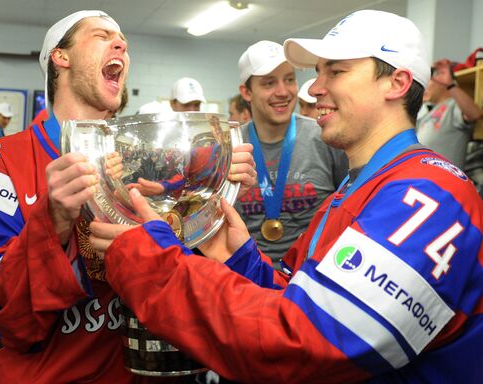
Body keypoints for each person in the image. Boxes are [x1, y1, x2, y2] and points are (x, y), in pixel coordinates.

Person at [89, 10, 483, 383]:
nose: (314, 87)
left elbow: (306, 343)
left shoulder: (428, 193)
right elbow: (299, 296)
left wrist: (150, 262)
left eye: (337, 71)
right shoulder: (354, 190)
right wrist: (240, 258)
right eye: (317, 71)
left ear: (396, 83)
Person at [0, 10, 255, 383]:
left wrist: (210, 196)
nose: (122, 44)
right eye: (101, 35)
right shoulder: (3, 163)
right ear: (60, 57)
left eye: (123, 41)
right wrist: (54, 222)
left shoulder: (140, 159)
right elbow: (2, 319)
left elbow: (178, 270)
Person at [234, 40, 348, 264]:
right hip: (246, 275)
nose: (283, 92)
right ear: (246, 92)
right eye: (269, 83)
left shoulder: (325, 137)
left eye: (289, 79)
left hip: (310, 275)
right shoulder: (231, 146)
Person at [416, 58, 482, 169]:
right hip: (421, 179)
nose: (424, 87)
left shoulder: (453, 105)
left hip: (442, 182)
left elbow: (475, 114)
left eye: (429, 80)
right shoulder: (427, 114)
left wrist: (450, 84)